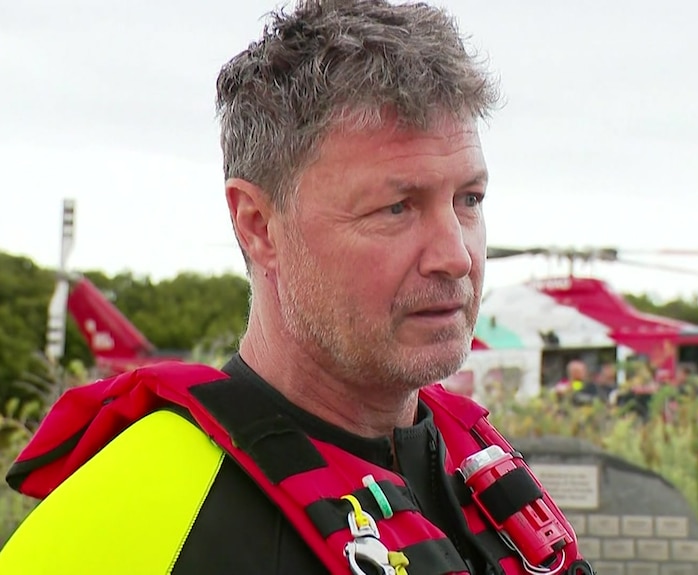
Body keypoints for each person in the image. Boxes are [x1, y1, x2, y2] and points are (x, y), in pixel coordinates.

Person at [0, 2, 594, 574]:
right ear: (259, 226)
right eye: (395, 207)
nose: (456, 256)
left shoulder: (479, 472)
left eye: (469, 199)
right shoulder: (123, 524)